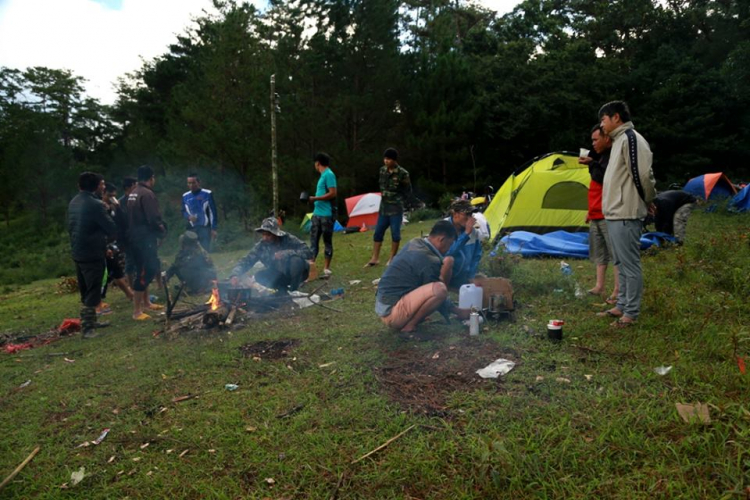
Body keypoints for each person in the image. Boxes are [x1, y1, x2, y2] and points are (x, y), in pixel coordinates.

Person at [598, 101, 656, 327]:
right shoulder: (619, 140)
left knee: (630, 264)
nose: (602, 124)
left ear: (615, 118)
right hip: (614, 212)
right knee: (620, 262)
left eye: (603, 119)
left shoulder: (631, 138)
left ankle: (631, 313)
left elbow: (643, 174)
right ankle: (621, 305)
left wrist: (648, 199)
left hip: (626, 212)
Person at [375, 220, 470, 333]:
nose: (448, 249)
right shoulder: (428, 259)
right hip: (391, 313)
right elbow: (437, 292)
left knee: (436, 286)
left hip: (385, 306)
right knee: (439, 289)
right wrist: (458, 311)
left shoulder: (416, 243)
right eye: (449, 244)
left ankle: (409, 318)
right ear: (441, 239)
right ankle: (409, 326)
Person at [67, 172, 117, 338]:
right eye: (102, 185)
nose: (103, 187)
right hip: (92, 252)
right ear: (96, 187)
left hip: (78, 251)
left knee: (85, 288)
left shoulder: (74, 202)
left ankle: (92, 321)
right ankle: (88, 328)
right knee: (94, 289)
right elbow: (111, 229)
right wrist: (110, 211)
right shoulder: (95, 204)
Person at [579, 124, 619, 303]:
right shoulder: (601, 157)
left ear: (606, 138)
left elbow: (604, 178)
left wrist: (591, 163)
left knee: (615, 254)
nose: (593, 143)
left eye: (596, 139)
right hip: (595, 212)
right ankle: (600, 285)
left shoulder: (612, 157)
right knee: (599, 253)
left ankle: (618, 290)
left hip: (608, 214)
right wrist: (590, 211)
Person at [230, 217, 313, 293]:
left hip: (298, 273)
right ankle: (282, 289)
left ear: (275, 234)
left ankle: (293, 290)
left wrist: (287, 253)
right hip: (278, 274)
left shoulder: (288, 239)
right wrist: (235, 274)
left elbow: (308, 252)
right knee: (259, 276)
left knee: (296, 261)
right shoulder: (261, 246)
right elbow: (247, 260)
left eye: (268, 235)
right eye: (263, 234)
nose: (265, 238)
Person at [127, 165, 167, 320]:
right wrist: (162, 232)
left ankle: (146, 303)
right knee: (146, 271)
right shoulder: (147, 194)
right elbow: (153, 218)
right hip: (144, 239)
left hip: (135, 238)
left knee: (142, 270)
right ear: (152, 177)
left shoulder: (134, 193)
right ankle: (137, 311)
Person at [365, 148, 411, 267]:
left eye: (389, 159)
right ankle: (375, 258)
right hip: (384, 208)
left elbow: (407, 191)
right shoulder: (382, 171)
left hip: (396, 208)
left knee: (395, 234)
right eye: (385, 159)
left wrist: (399, 200)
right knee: (378, 233)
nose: (386, 161)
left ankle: (392, 258)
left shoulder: (403, 173)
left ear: (394, 160)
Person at [101, 182, 134, 307]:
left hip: (114, 242)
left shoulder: (114, 206)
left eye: (114, 195)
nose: (112, 197)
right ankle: (98, 300)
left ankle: (129, 294)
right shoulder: (100, 207)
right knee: (107, 272)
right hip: (102, 243)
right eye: (109, 195)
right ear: (103, 193)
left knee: (116, 270)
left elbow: (123, 222)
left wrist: (118, 208)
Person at [308, 152, 337, 277]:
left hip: (326, 213)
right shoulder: (322, 176)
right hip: (317, 213)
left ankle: (326, 268)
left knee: (327, 240)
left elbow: (333, 193)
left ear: (317, 163)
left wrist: (316, 198)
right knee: (313, 240)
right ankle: (311, 266)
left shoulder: (329, 175)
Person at [444, 199, 483, 288]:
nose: (470, 218)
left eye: (471, 215)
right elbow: (447, 253)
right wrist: (465, 234)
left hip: (463, 279)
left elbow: (476, 256)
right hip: (446, 278)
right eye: (467, 214)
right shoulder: (444, 227)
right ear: (455, 214)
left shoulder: (473, 231)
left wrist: (471, 276)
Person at [182, 173, 218, 252]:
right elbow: (183, 211)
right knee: (191, 251)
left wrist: (214, 228)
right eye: (189, 183)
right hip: (191, 228)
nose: (191, 185)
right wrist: (188, 217)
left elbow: (213, 212)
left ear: (198, 182)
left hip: (204, 227)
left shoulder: (207, 194)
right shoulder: (185, 196)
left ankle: (205, 264)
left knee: (204, 251)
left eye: (193, 183)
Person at [118, 177, 137, 282]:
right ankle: (132, 287)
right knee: (130, 261)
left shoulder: (138, 199)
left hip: (138, 235)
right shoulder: (120, 203)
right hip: (127, 237)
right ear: (128, 188)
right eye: (135, 186)